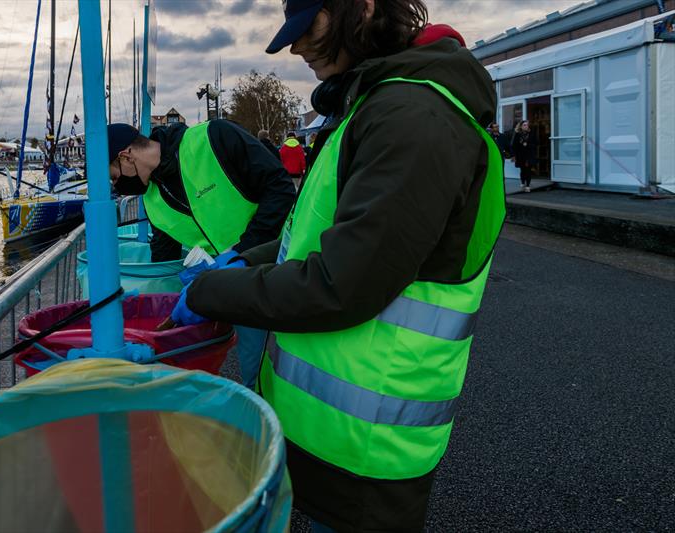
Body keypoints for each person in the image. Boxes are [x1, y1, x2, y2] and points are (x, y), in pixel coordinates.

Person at [170, 0, 505, 531]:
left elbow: (340, 285)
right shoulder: (375, 106)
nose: (297, 46)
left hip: (370, 448)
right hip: (339, 435)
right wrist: (245, 259)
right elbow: (319, 239)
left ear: (363, 8)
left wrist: (212, 291)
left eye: (309, 28)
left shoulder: (412, 116)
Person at [107, 120, 296, 388]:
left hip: (287, 262)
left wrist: (244, 252)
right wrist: (161, 311)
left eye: (114, 176)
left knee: (300, 358)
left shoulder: (214, 137)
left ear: (125, 156)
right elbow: (165, 258)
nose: (117, 186)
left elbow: (279, 187)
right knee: (259, 373)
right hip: (241, 289)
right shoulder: (151, 201)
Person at [511, 120, 535, 192]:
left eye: (527, 125)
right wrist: (514, 155)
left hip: (529, 155)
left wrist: (528, 145)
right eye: (524, 125)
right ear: (521, 126)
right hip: (520, 155)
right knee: (522, 170)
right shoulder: (517, 134)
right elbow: (513, 145)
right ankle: (522, 182)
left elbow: (536, 143)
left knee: (528, 171)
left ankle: (528, 186)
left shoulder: (531, 134)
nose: (526, 126)